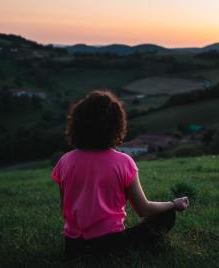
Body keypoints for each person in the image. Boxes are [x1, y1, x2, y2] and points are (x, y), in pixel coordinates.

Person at [51, 90, 189, 260]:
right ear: (116, 125)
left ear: (77, 122)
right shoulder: (123, 162)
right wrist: (173, 204)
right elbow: (143, 209)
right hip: (111, 245)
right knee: (167, 214)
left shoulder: (65, 161)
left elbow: (65, 206)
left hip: (72, 247)